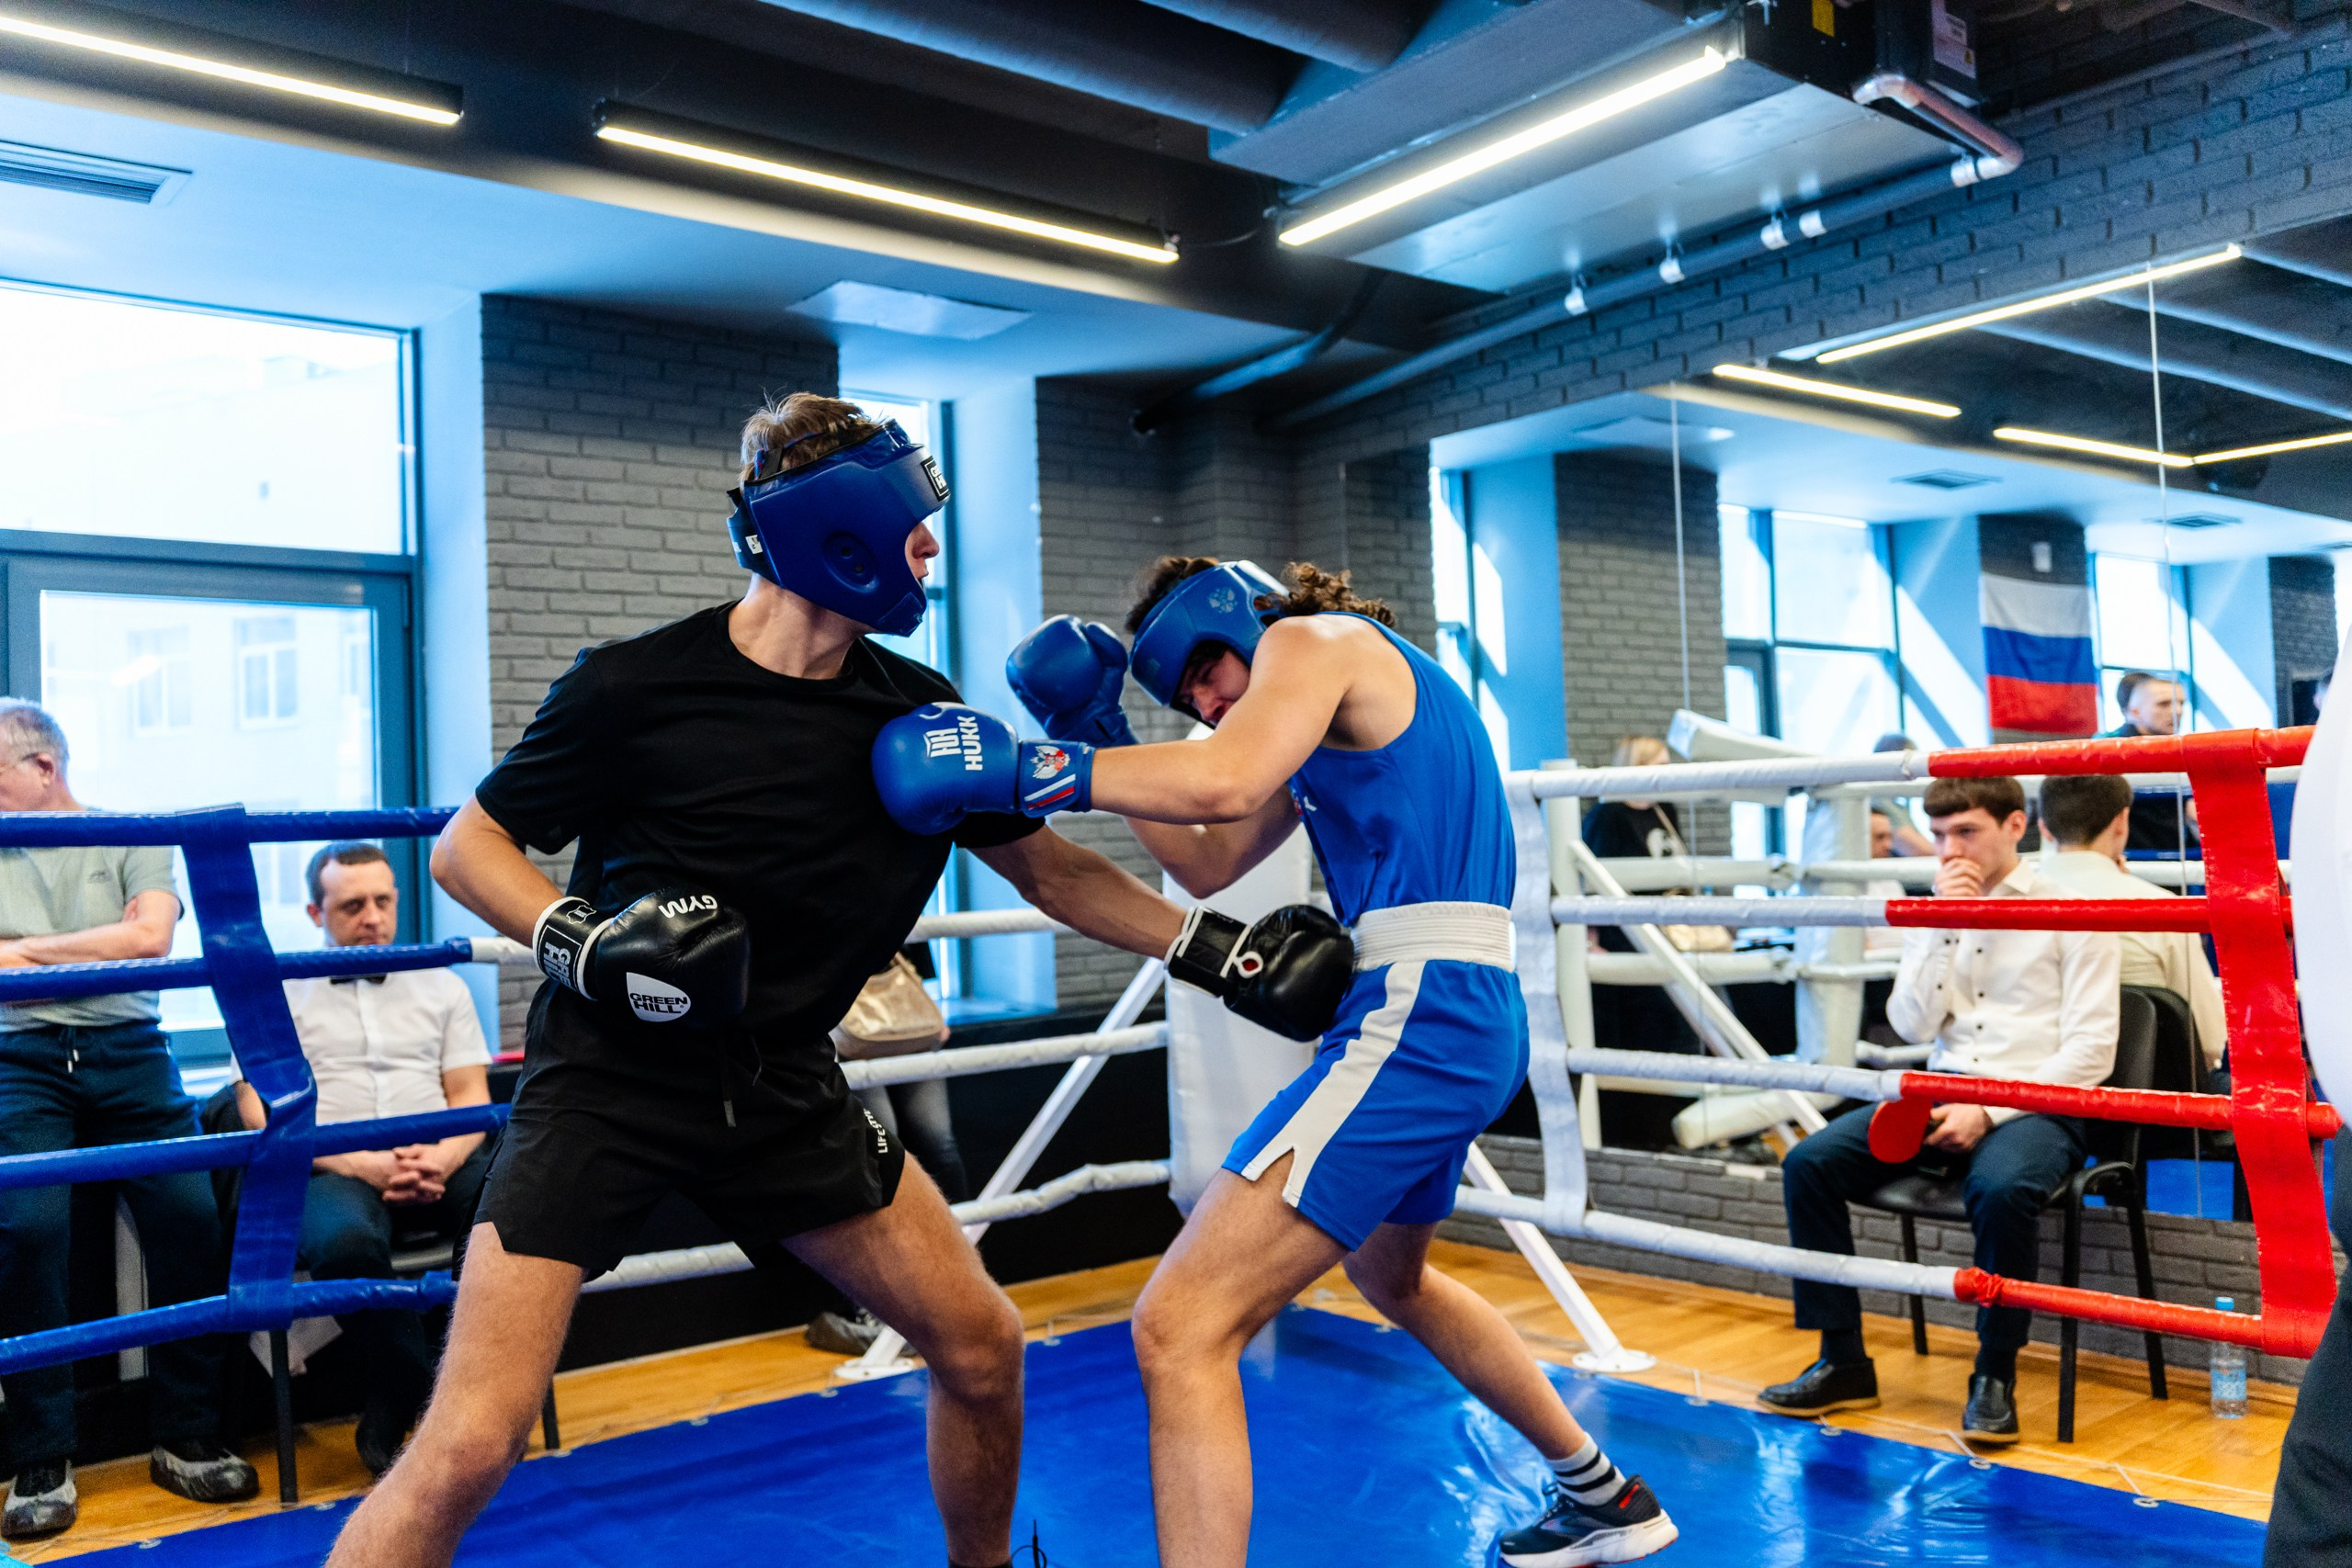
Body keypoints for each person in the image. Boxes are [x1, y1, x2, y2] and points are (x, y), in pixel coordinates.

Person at [325, 395, 1320, 1568]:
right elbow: (465, 849)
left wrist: (1216, 951)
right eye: (916, 526)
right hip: (608, 1082)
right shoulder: (634, 689)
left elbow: (1051, 876)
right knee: (472, 1441)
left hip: (783, 1088)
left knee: (981, 1347)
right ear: (841, 526)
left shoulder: (918, 715)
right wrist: (580, 939)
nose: (933, 552)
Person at [878, 558, 1678, 1568]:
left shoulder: (1314, 639)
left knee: (1178, 1325)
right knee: (1397, 1280)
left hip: (1415, 1011)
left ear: (1240, 614)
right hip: (1448, 1007)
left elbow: (1221, 778)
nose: (1207, 703)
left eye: (1206, 673)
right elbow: (1209, 858)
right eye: (1188, 700)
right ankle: (1601, 1493)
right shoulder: (1340, 707)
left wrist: (1026, 769)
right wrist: (1102, 744)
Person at [1758, 774, 2120, 1445]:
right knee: (1808, 1163)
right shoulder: (1936, 905)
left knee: (2003, 1186)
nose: (1951, 850)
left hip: (2040, 1101)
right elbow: (1910, 1021)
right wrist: (1945, 923)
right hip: (1941, 1086)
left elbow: (2093, 1052)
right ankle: (1842, 1358)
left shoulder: (2072, 908)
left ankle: (1995, 1374)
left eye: (1968, 832)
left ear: (2017, 826)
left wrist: (1990, 1111)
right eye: (1941, 834)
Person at [0, 700, 258, 1540]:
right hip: (19, 1061)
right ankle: (41, 1454)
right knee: (27, 1230)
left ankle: (186, 1432)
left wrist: (27, 953)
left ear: (44, 767)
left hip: (132, 1049)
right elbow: (122, 936)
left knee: (188, 1213)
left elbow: (148, 937)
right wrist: (88, 943)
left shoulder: (132, 830)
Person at [232, 841, 494, 1476]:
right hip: (332, 1161)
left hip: (440, 1149)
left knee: (507, 1215)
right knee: (344, 1245)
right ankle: (415, 1384)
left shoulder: (441, 981)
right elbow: (256, 1109)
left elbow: (471, 1096)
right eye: (352, 905)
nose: (373, 916)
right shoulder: (282, 991)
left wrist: (442, 1154)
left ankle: (461, 1394)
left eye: (384, 900)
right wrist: (361, 1162)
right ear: (316, 912)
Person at [2033, 774, 2227, 1072]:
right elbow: (2210, 1038)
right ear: (2122, 822)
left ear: (2044, 828)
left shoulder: (1999, 904)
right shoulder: (2160, 909)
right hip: (2146, 1096)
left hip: (2017, 1083)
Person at [2104, 672, 2199, 854]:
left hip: (2171, 864)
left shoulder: (2174, 750)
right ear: (2134, 712)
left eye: (2181, 703)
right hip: (2132, 863)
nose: (2177, 711)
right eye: (2164, 703)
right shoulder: (2113, 751)